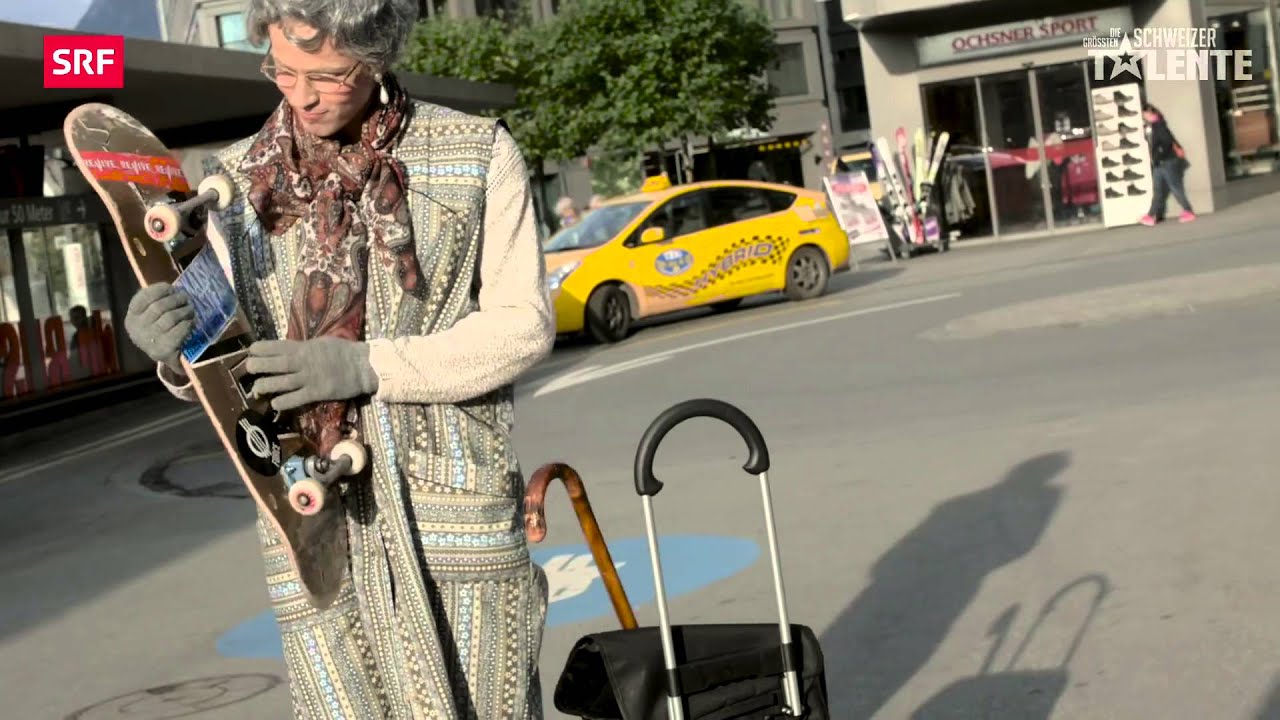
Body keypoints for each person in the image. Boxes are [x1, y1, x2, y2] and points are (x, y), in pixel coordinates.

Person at [120, 0, 555, 717]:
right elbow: (224, 363)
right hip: (307, 521)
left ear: (378, 58)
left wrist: (367, 366)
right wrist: (172, 350)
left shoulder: (475, 153)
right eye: (282, 71)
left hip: (449, 505)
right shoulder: (225, 187)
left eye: (327, 74)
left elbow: (522, 328)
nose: (301, 94)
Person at [1140, 103, 1196, 225]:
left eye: (1145, 114)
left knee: (1174, 188)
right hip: (1160, 163)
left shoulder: (1159, 126)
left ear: (1150, 114)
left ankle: (1188, 211)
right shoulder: (1156, 125)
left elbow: (1167, 143)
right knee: (1159, 190)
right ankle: (1151, 215)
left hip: (1167, 162)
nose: (1144, 117)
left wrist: (1159, 156)